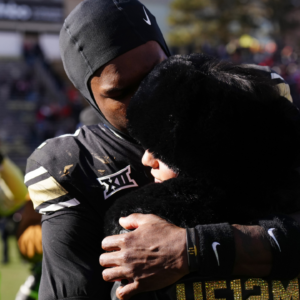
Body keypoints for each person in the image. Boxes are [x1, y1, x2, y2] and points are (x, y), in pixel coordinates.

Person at [24, 1, 300, 300]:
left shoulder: (242, 100)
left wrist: (193, 247)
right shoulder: (76, 163)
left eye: (155, 72)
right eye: (120, 91)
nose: (145, 97)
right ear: (91, 99)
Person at [104, 54, 300, 299]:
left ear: (207, 155)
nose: (146, 160)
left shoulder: (142, 232)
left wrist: (194, 248)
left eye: (161, 150)